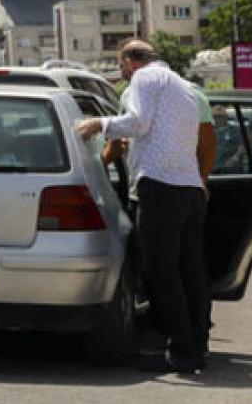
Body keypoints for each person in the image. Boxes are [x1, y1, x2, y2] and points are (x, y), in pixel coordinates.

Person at [76, 39, 208, 374]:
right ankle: (197, 345)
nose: (122, 73)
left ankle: (181, 352)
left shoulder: (144, 78)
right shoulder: (182, 86)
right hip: (190, 188)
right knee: (189, 270)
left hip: (160, 185)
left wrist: (98, 124)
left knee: (162, 272)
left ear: (129, 62)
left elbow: (138, 123)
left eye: (121, 66)